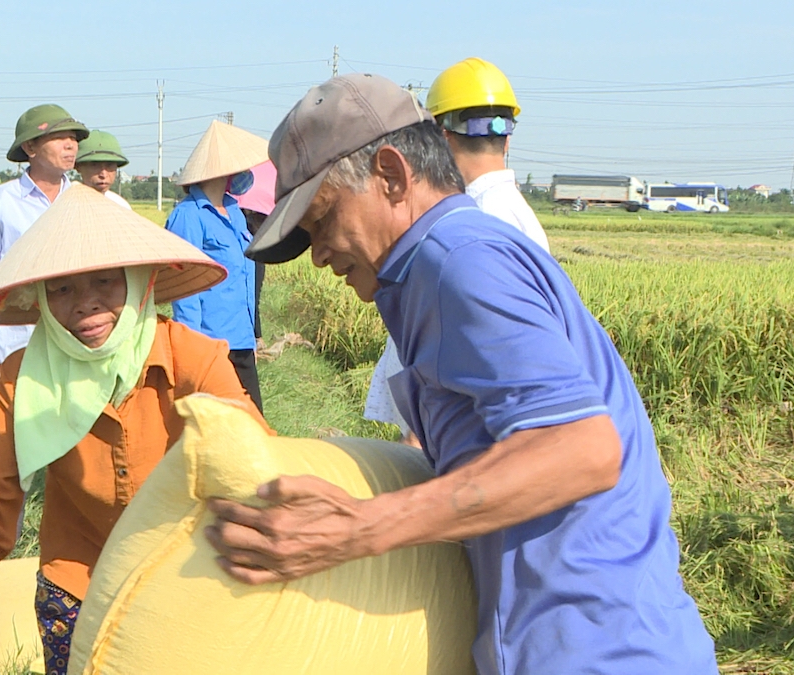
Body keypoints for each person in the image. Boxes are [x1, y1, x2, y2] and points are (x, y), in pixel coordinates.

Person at [210, 73, 718, 674]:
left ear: (392, 175)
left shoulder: (459, 262)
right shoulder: (430, 268)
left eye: (321, 221)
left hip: (599, 651)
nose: (318, 254)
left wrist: (361, 529)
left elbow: (583, 450)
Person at [0, 185, 268, 675]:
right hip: (78, 583)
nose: (86, 306)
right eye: (64, 289)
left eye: (106, 282)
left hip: (187, 574)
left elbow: (257, 465)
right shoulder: (22, 378)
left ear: (139, 283)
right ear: (42, 298)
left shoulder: (192, 359)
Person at [365, 57, 550, 445]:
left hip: (457, 439)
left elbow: (466, 350)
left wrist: (419, 436)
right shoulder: (515, 215)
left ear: (440, 139)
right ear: (508, 138)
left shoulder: (472, 224)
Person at [0, 104, 90, 396]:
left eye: (74, 137)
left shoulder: (83, 200)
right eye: (59, 137)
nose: (70, 145)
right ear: (30, 147)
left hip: (76, 340)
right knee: (16, 433)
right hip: (16, 342)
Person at [165, 120, 269, 412]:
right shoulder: (188, 216)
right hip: (210, 345)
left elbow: (246, 277)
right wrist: (192, 351)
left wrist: (250, 338)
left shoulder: (234, 210)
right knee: (217, 428)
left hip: (240, 342)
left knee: (253, 424)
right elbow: (185, 286)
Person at [229, 160, 277, 345]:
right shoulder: (262, 200)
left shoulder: (236, 208)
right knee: (251, 292)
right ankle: (256, 335)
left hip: (254, 248)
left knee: (251, 292)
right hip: (254, 247)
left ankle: (255, 334)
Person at [75, 129, 131, 209]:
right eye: (94, 165)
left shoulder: (121, 206)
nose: (103, 174)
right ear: (78, 167)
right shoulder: (66, 205)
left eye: (110, 165)